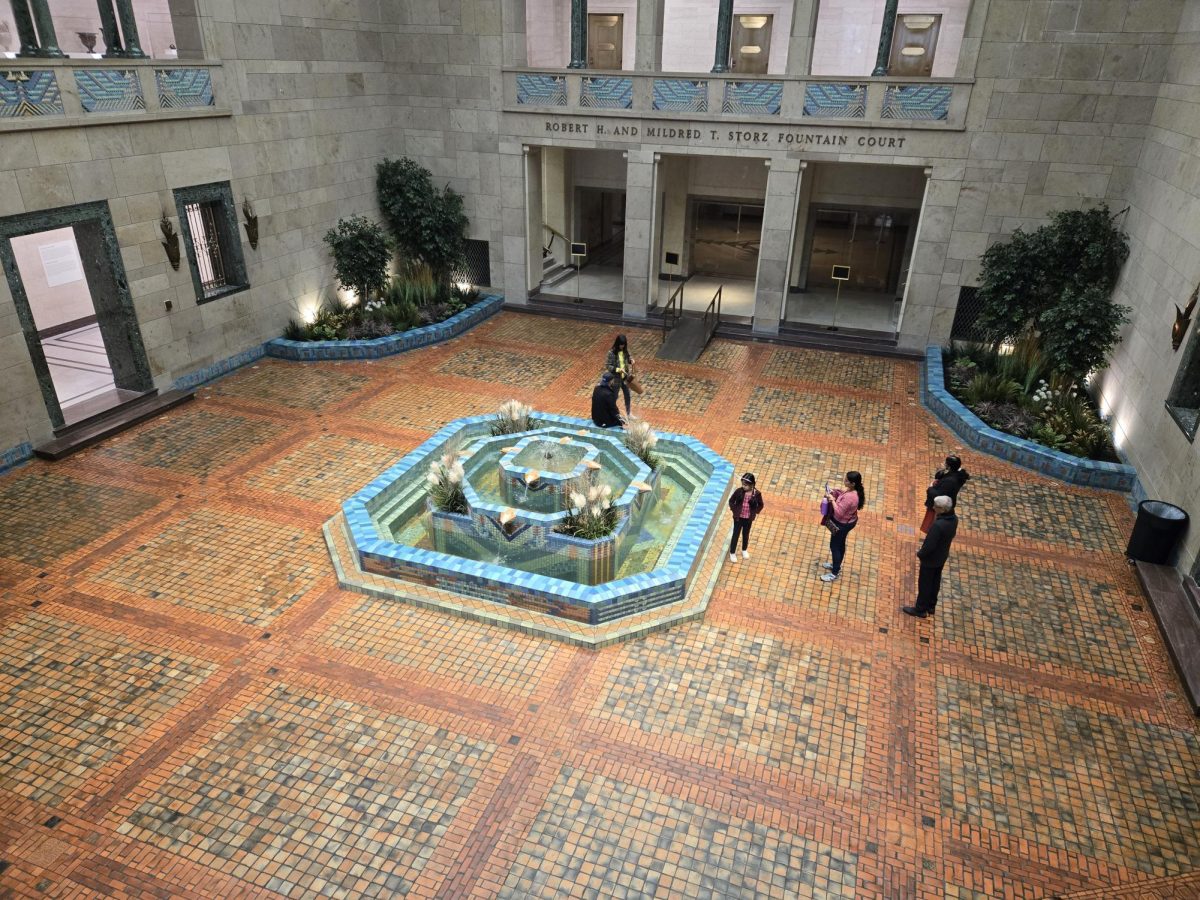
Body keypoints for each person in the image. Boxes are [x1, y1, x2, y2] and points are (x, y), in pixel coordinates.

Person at [905, 495, 958, 618]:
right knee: (935, 581)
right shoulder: (954, 519)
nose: (933, 507)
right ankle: (931, 606)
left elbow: (929, 545)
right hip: (942, 556)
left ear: (943, 509)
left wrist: (920, 554)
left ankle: (920, 609)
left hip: (931, 559)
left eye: (936, 506)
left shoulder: (938, 526)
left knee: (925, 583)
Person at [820, 471, 865, 583]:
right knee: (840, 544)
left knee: (835, 547)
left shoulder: (851, 497)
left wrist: (832, 500)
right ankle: (836, 565)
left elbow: (839, 512)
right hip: (847, 523)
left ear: (853, 483)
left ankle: (835, 572)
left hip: (842, 524)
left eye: (846, 480)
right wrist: (836, 492)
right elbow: (843, 497)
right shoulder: (854, 491)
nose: (844, 481)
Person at [921, 454, 970, 533]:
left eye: (946, 463)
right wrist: (943, 470)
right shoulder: (955, 474)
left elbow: (938, 496)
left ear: (950, 467)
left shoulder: (950, 481)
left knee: (931, 527)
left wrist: (930, 488)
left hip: (939, 507)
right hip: (941, 505)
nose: (944, 463)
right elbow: (938, 476)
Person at [727, 473, 764, 563]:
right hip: (738, 518)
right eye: (743, 484)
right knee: (735, 535)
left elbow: (761, 504)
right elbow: (731, 501)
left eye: (746, 485)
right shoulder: (739, 491)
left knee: (745, 535)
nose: (743, 486)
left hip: (748, 519)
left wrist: (755, 512)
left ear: (752, 485)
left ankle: (744, 549)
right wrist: (734, 510)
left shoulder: (756, 494)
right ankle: (732, 552)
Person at [604, 333, 635, 417]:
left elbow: (628, 358)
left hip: (625, 378)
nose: (622, 347)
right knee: (614, 396)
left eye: (624, 345)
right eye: (621, 345)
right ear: (617, 344)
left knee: (627, 395)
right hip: (616, 378)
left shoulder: (625, 350)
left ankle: (628, 413)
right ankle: (611, 413)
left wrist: (631, 360)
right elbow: (608, 365)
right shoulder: (611, 353)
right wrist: (618, 369)